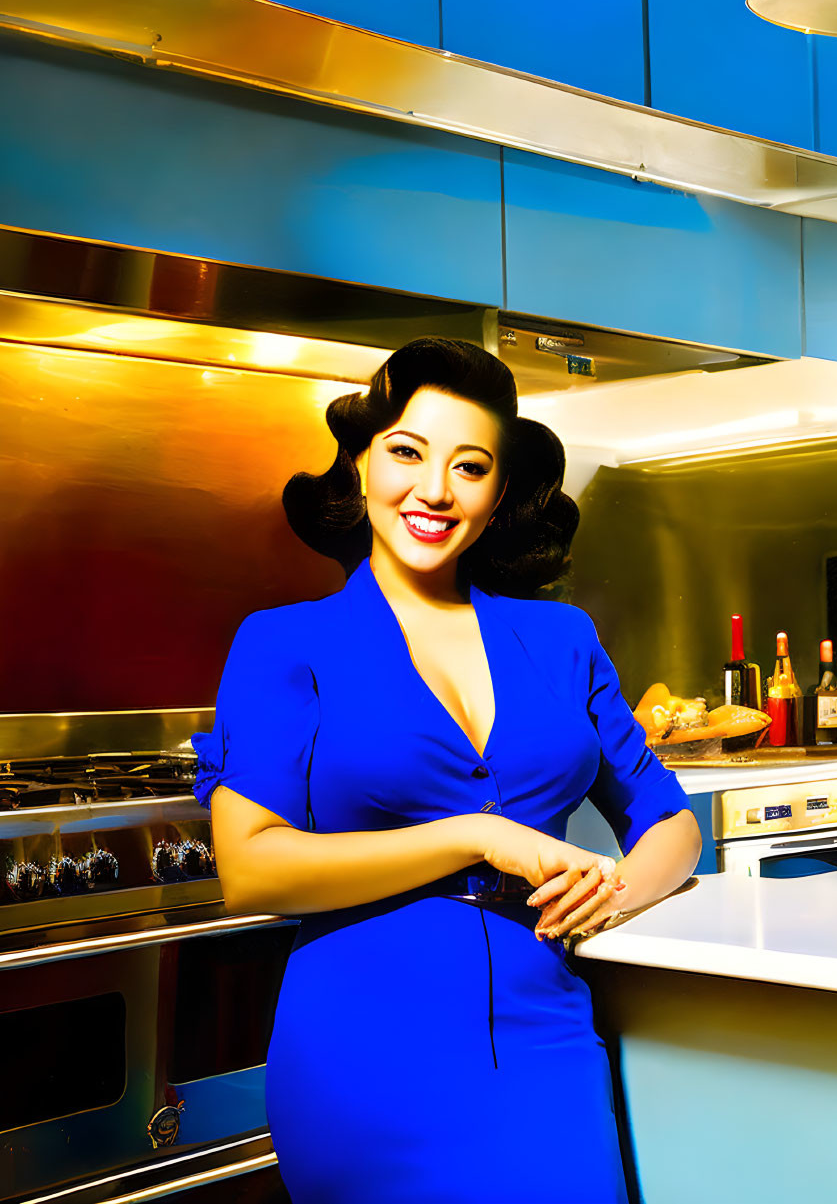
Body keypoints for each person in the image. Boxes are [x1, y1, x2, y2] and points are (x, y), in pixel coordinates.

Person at [192, 336, 701, 1202]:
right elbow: (248, 867)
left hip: (546, 1034)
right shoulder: (286, 642)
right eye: (405, 452)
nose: (433, 489)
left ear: (500, 492)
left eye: (470, 466)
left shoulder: (561, 638)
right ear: (358, 464)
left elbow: (669, 818)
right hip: (361, 1045)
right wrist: (476, 833)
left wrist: (609, 891)